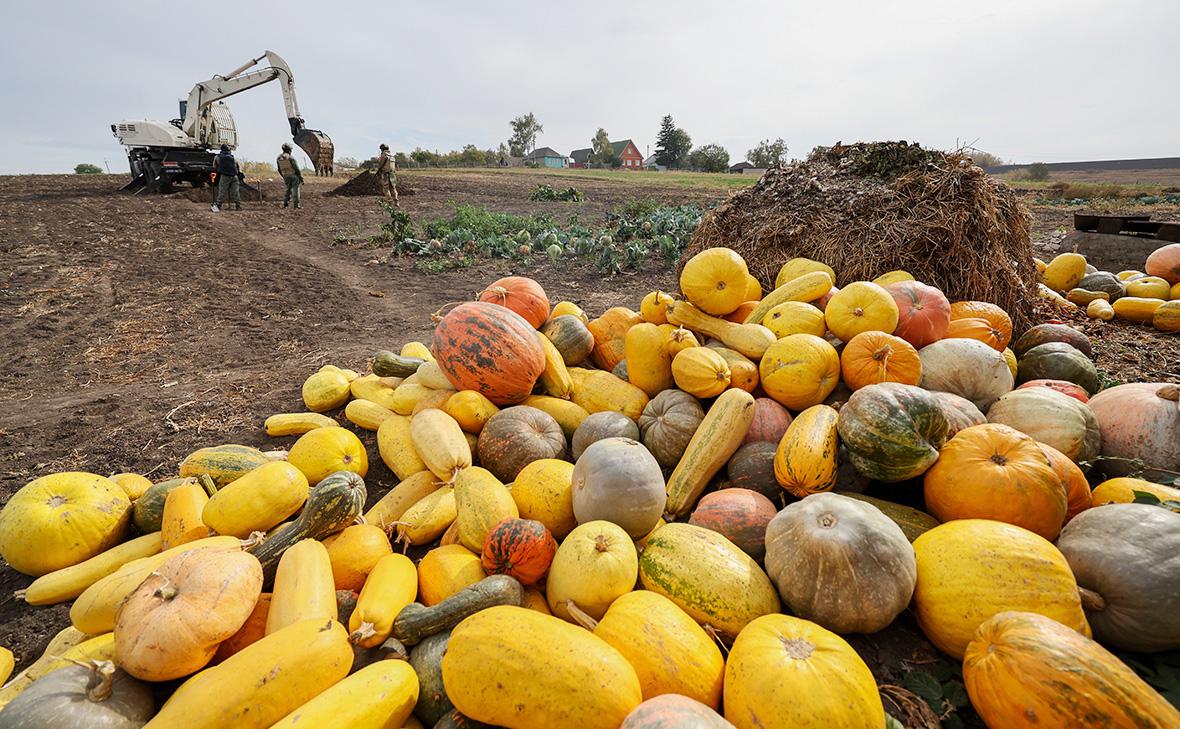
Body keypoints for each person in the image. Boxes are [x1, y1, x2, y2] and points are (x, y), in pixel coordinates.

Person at [211, 144, 241, 212]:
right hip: (234, 176)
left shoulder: (217, 157)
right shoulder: (232, 157)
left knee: (222, 190)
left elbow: (214, 167)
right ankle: (238, 205)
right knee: (235, 191)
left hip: (225, 176)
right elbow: (237, 166)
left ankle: (218, 205)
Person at [277, 143, 303, 209]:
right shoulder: (291, 158)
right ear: (289, 150)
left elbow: (279, 169)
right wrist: (300, 177)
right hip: (294, 176)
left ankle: (285, 204)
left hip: (286, 176)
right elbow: (296, 168)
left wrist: (283, 176)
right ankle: (297, 206)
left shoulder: (279, 158)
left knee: (287, 190)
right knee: (295, 190)